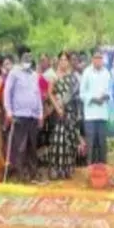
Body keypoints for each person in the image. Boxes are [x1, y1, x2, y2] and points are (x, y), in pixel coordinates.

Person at [3, 45, 44, 183]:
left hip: (33, 116)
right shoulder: (14, 73)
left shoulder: (34, 75)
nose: (28, 59)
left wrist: (40, 114)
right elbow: (7, 93)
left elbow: (37, 95)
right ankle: (21, 176)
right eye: (26, 56)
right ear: (20, 58)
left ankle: (33, 174)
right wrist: (9, 111)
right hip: (19, 115)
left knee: (33, 147)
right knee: (20, 147)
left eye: (30, 56)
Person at [48, 51, 86, 179]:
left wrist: (74, 110)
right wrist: (57, 107)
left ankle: (67, 168)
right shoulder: (55, 76)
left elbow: (76, 95)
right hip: (60, 112)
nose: (63, 62)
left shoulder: (73, 77)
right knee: (59, 139)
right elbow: (50, 93)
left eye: (66, 60)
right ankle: (56, 169)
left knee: (69, 140)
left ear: (68, 62)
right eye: (61, 59)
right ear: (58, 61)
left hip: (71, 112)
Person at [80, 49, 112, 164]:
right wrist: (93, 99)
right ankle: (90, 170)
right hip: (90, 115)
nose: (98, 60)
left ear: (102, 60)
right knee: (91, 144)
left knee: (102, 144)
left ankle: (103, 170)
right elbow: (82, 93)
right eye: (96, 58)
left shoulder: (106, 73)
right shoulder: (86, 72)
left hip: (102, 114)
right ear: (92, 59)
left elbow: (110, 92)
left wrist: (104, 97)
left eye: (100, 58)